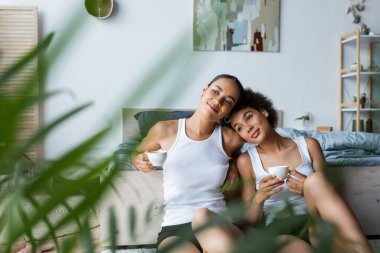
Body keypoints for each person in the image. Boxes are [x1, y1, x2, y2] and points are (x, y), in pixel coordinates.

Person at [229, 88, 373, 253]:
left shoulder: (309, 145)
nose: (247, 127)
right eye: (239, 128)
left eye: (249, 117)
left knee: (316, 181)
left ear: (264, 112)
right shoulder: (246, 160)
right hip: (280, 230)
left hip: (315, 222)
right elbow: (251, 220)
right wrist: (259, 197)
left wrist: (307, 188)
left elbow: (326, 193)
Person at [131, 74, 244, 253]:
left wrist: (233, 164)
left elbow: (249, 155)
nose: (218, 101)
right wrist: (138, 160)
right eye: (215, 92)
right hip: (174, 228)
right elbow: (135, 152)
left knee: (202, 215)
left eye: (227, 101)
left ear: (229, 111)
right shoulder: (165, 129)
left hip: (217, 222)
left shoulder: (230, 139)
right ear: (204, 90)